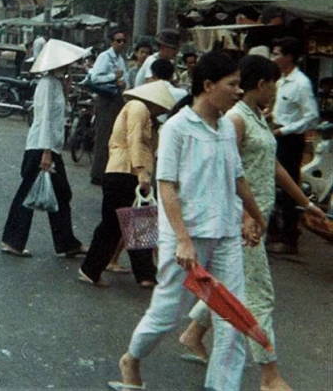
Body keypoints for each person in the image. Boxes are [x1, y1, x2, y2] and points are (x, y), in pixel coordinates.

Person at [112, 52, 267, 391]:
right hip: (187, 236)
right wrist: (182, 238)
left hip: (225, 234)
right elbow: (166, 185)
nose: (238, 92)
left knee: (232, 315)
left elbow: (236, 178)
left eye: (240, 85)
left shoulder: (226, 127)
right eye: (232, 85)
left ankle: (222, 386)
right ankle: (132, 359)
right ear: (208, 86)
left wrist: (254, 215)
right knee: (167, 313)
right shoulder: (177, 128)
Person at [179, 55, 327, 391]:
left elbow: (272, 166)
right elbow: (225, 172)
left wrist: (306, 204)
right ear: (261, 85)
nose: (276, 91)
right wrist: (245, 216)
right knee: (259, 296)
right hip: (240, 225)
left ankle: (193, 334)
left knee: (232, 288)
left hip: (254, 222)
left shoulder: (257, 118)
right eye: (273, 84)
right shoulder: (235, 119)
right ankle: (269, 374)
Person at [79, 81, 175, 288]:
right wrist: (141, 170)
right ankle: (91, 269)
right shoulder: (137, 108)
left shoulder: (147, 117)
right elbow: (134, 139)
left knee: (140, 224)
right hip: (124, 172)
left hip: (130, 173)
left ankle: (145, 273)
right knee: (114, 225)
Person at [1, 39, 88, 258]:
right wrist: (47, 152)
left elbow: (59, 114)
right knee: (30, 193)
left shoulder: (56, 83)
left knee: (61, 194)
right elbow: (46, 117)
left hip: (46, 146)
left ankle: (66, 243)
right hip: (42, 147)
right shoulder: (48, 84)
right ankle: (14, 241)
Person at [268, 36, 319, 255]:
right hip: (276, 134)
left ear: (288, 57)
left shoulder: (301, 83)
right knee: (271, 185)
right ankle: (274, 231)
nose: (274, 57)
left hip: (290, 139)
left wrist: (284, 130)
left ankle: (290, 237)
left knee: (288, 186)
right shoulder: (279, 80)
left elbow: (312, 117)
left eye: (277, 53)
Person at [88, 29, 128, 186]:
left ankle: (109, 173)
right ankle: (98, 174)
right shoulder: (105, 57)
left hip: (117, 100)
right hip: (106, 101)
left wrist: (123, 83)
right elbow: (95, 78)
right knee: (104, 138)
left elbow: (124, 77)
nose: (121, 44)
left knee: (115, 138)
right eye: (118, 41)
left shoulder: (120, 59)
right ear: (112, 42)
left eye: (123, 41)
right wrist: (113, 77)